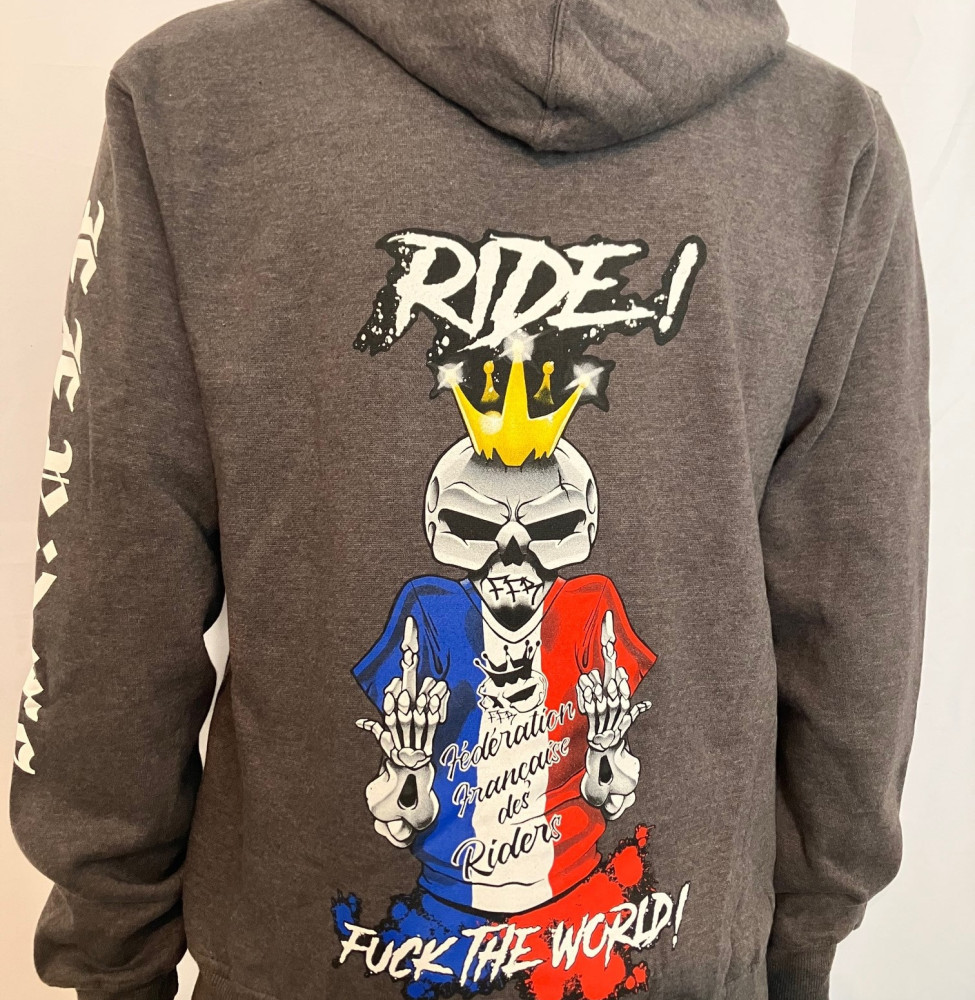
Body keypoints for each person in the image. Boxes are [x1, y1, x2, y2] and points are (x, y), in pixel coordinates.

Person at [10, 2, 928, 999]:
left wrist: (111, 948)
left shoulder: (196, 100)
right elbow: (858, 605)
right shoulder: (826, 144)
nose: (513, 565)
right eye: (481, 528)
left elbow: (112, 585)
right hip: (676, 963)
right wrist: (794, 946)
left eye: (544, 530)